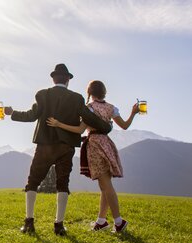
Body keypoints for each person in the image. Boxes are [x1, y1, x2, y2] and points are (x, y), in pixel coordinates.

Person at [4, 64, 112, 236]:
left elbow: (31, 116)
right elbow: (90, 118)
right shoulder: (77, 99)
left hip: (44, 146)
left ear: (53, 79)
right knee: (63, 184)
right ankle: (59, 225)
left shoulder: (42, 94)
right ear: (68, 80)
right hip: (65, 148)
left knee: (32, 182)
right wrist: (107, 127)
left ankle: (29, 223)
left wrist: (12, 113)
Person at [46, 80, 138, 233]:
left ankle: (119, 222)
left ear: (89, 93)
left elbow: (80, 130)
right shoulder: (111, 108)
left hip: (95, 145)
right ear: (104, 92)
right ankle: (101, 221)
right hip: (107, 145)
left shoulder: (89, 109)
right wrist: (133, 113)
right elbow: (125, 126)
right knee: (105, 185)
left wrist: (58, 124)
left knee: (106, 186)